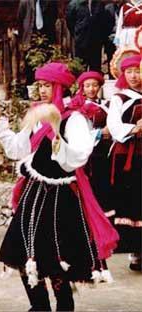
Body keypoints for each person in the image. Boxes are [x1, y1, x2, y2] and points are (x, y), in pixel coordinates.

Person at [0, 63, 119, 311]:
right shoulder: (38, 115)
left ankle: (64, 307)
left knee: (56, 259)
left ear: (59, 87)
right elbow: (19, 148)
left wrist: (59, 139)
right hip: (34, 193)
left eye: (47, 85)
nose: (42, 90)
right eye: (40, 85)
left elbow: (79, 157)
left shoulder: (74, 118)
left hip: (61, 198)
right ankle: (39, 306)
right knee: (21, 251)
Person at [71, 71, 114, 281]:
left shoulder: (106, 105)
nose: (91, 89)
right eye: (87, 85)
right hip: (86, 157)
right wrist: (99, 133)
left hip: (103, 156)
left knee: (105, 195)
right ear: (82, 88)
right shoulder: (77, 108)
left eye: (94, 85)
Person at [107, 55, 142, 271]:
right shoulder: (119, 98)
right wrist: (135, 129)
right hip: (127, 158)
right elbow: (114, 126)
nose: (133, 76)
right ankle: (135, 252)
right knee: (131, 203)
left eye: (137, 71)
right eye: (129, 72)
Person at [66, 0, 109, 71]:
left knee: (95, 68)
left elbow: (103, 22)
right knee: (80, 68)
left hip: (96, 42)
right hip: (81, 42)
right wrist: (78, 33)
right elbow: (70, 22)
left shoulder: (99, 4)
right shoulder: (74, 4)